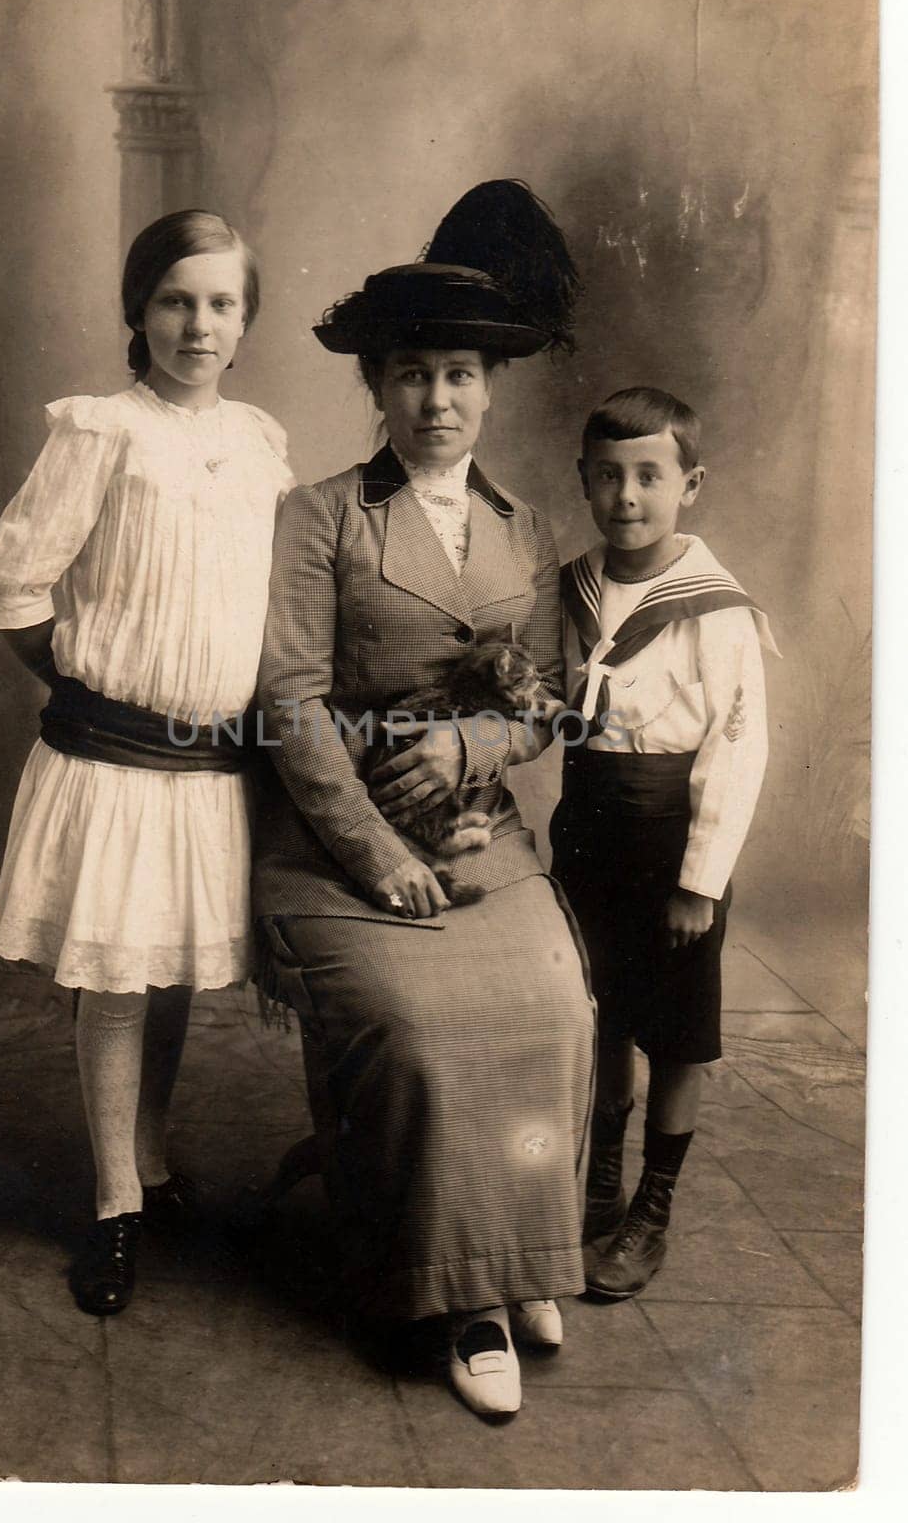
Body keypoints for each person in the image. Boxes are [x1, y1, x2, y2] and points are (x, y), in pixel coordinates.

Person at [254, 181, 595, 1418]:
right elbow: (287, 701)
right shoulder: (320, 519)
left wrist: (465, 756)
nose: (436, 401)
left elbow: (547, 699)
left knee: (555, 1004)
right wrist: (369, 855)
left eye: (458, 375)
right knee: (417, 1030)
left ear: (490, 388)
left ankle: (519, 1256)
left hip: (478, 836)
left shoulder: (525, 529)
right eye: (410, 376)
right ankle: (463, 1301)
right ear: (376, 389)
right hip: (335, 851)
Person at [0, 209, 293, 1315]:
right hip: (112, 758)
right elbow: (14, 582)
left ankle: (151, 1162)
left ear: (245, 322)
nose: (196, 324)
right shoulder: (101, 429)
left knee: (169, 972)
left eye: (219, 304)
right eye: (174, 300)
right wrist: (84, 691)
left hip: (211, 768)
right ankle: (114, 1204)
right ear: (137, 309)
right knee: (115, 977)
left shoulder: (259, 441)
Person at [551, 386, 779, 1301]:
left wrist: (699, 883)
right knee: (601, 1007)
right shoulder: (575, 585)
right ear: (584, 482)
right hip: (591, 824)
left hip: (673, 835)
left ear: (692, 483)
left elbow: (736, 740)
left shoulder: (712, 606)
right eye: (608, 477)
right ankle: (601, 1169)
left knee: (676, 1030)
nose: (627, 497)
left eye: (650, 476)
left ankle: (654, 1201)